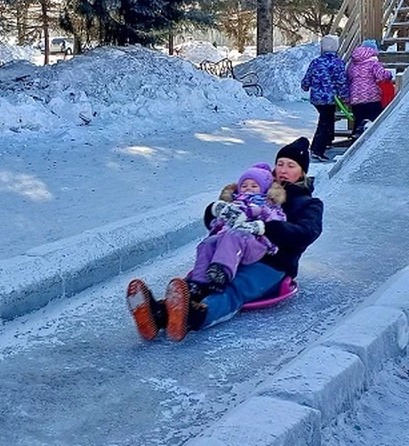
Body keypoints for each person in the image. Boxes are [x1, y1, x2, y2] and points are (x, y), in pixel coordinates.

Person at [125, 137, 324, 342]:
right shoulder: (258, 187)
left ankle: (196, 316)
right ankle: (158, 313)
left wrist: (267, 227)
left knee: (234, 286)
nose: (283, 169)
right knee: (197, 279)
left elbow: (307, 232)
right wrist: (215, 210)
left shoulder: (308, 204)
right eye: (280, 163)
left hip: (273, 261)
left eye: (291, 165)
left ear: (302, 172)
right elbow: (219, 217)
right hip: (234, 249)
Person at [186, 162, 287, 300]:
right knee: (208, 243)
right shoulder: (234, 203)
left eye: (254, 186)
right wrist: (219, 221)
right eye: (244, 186)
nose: (248, 189)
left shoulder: (267, 204)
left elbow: (276, 221)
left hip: (255, 244)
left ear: (264, 189)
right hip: (229, 240)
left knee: (233, 236)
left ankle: (221, 274)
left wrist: (256, 219)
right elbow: (221, 222)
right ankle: (199, 282)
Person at [300, 35, 349, 162]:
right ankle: (318, 148)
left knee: (328, 119)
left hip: (316, 97)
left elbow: (308, 77)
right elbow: (341, 81)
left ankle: (327, 141)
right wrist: (345, 96)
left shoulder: (316, 62)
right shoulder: (338, 63)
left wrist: (305, 86)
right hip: (329, 98)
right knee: (325, 122)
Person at [346, 43, 393, 137]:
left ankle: (356, 137)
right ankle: (372, 138)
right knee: (374, 119)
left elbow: (349, 78)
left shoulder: (353, 64)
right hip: (371, 97)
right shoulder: (373, 63)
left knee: (359, 119)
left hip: (356, 98)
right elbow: (381, 76)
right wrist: (389, 74)